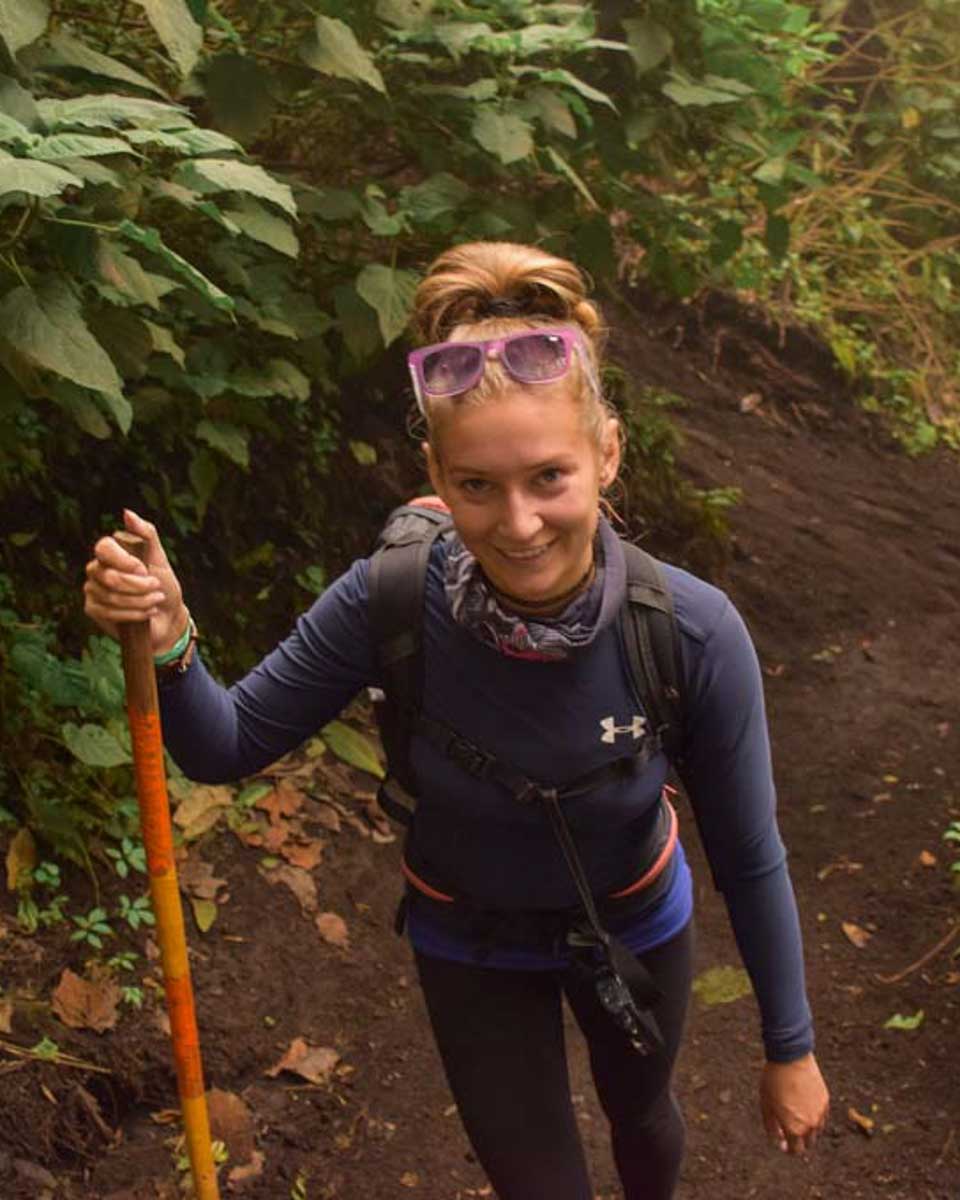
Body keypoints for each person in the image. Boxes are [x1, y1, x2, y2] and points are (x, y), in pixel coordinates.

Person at [84, 241, 829, 1200]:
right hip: (468, 941)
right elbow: (223, 746)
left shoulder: (688, 631)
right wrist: (171, 636)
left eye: (549, 478)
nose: (518, 523)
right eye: (477, 485)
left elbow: (749, 850)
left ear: (608, 453)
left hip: (635, 921)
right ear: (435, 470)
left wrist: (791, 1046)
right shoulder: (390, 600)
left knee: (643, 1119)